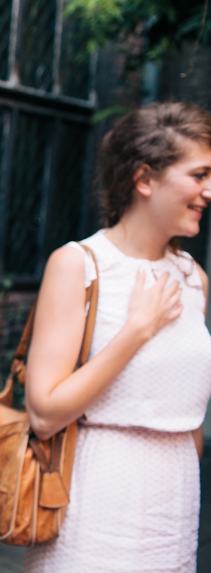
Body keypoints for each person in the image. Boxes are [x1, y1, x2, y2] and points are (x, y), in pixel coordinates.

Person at [23, 102, 211, 572]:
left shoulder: (193, 278)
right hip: (97, 496)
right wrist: (137, 330)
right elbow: (44, 412)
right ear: (145, 179)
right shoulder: (80, 265)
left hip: (176, 502)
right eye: (199, 174)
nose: (208, 191)